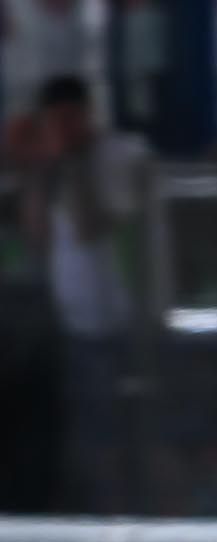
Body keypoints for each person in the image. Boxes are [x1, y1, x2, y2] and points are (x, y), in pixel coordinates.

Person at [16, 74, 143, 513]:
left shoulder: (118, 155)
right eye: (55, 122)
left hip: (119, 322)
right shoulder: (53, 168)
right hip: (72, 326)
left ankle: (126, 512)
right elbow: (36, 234)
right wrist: (40, 169)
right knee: (82, 437)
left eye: (70, 119)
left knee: (123, 433)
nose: (63, 130)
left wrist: (72, 165)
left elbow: (92, 225)